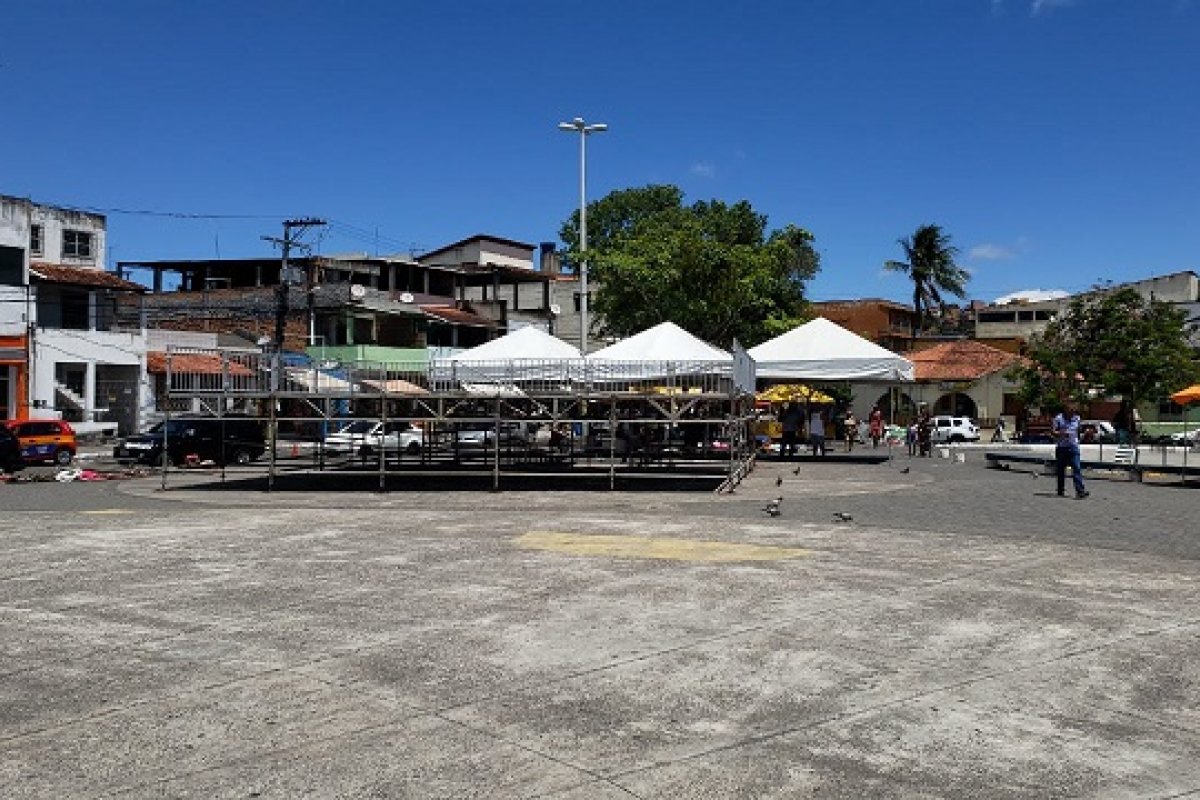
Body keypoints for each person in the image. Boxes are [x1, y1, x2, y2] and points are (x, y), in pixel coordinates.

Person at [1052, 401, 1089, 499]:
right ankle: (1060, 489)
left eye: (1074, 410)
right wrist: (1062, 434)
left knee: (1077, 468)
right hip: (1062, 447)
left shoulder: (1077, 418)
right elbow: (1053, 432)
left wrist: (1084, 434)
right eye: (1070, 410)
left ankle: (1080, 491)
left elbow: (1079, 430)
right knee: (1061, 470)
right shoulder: (1058, 418)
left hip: (1073, 447)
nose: (1072, 412)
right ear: (1065, 409)